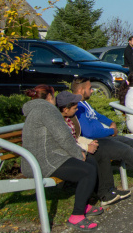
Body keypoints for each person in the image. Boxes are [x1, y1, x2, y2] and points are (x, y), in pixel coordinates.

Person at [22, 85, 102, 230]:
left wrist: (79, 153)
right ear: (49, 97)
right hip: (44, 161)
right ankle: (76, 216)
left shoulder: (37, 109)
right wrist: (78, 154)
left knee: (89, 161)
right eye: (54, 96)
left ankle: (84, 204)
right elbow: (63, 137)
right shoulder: (47, 110)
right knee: (87, 171)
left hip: (46, 157)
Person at [72, 78, 133, 190]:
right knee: (126, 149)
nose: (92, 91)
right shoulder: (77, 107)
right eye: (89, 88)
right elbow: (89, 132)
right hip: (96, 140)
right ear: (81, 90)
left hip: (106, 135)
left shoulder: (84, 103)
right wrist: (111, 131)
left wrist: (111, 122)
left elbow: (98, 115)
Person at [56, 91, 133, 205]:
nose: (77, 110)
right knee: (94, 159)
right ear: (66, 109)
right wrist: (86, 147)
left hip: (77, 147)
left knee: (101, 151)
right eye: (74, 108)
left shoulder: (70, 118)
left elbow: (76, 137)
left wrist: (90, 143)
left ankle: (109, 189)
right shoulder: (58, 122)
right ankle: (102, 193)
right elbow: (67, 142)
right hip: (68, 154)